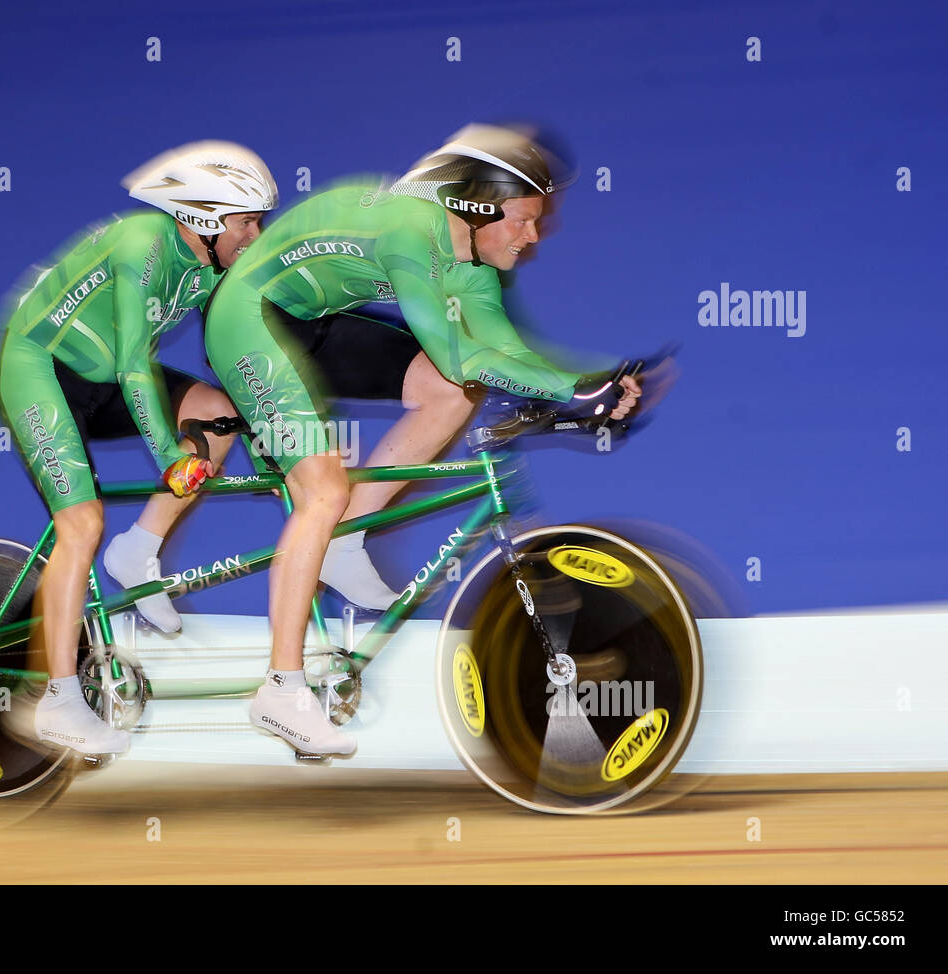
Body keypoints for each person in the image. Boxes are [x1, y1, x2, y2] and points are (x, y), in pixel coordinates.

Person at [202, 123, 642, 756]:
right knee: (321, 491)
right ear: (477, 208)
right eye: (521, 220)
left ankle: (345, 539)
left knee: (449, 390)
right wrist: (572, 393)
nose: (533, 235)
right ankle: (280, 686)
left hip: (308, 322)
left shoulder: (474, 267)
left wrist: (585, 386)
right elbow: (456, 350)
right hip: (248, 320)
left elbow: (503, 353)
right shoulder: (413, 231)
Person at [0, 141, 278, 754]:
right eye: (248, 220)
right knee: (81, 523)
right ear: (203, 217)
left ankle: (139, 551)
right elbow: (131, 365)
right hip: (40, 370)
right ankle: (59, 700)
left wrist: (274, 423)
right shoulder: (142, 243)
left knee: (219, 414)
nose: (258, 233)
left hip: (99, 380)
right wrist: (170, 454)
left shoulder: (211, 268)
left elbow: (242, 351)